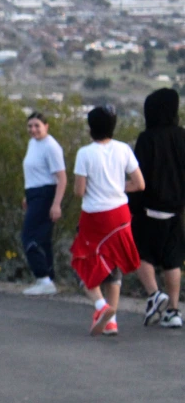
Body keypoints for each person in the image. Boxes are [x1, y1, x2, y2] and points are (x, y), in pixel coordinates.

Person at [70, 106, 145, 336]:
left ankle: (102, 306)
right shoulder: (123, 149)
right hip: (120, 215)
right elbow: (139, 184)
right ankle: (112, 321)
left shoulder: (85, 153)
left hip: (95, 217)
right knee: (114, 264)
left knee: (82, 262)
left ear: (90, 127)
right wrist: (117, 187)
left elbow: (79, 191)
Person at [130, 88, 185, 329]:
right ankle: (173, 311)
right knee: (173, 261)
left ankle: (154, 294)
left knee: (140, 254)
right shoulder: (182, 137)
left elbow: (137, 176)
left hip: (148, 210)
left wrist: (132, 207)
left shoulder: (147, 139)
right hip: (176, 210)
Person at [20, 112, 67, 296]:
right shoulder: (33, 144)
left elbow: (62, 178)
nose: (33, 129)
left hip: (46, 194)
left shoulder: (51, 147)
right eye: (30, 126)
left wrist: (56, 204)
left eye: (37, 125)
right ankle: (49, 278)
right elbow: (35, 171)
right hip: (34, 193)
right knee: (44, 239)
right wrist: (27, 196)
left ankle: (42, 278)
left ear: (46, 126)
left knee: (30, 236)